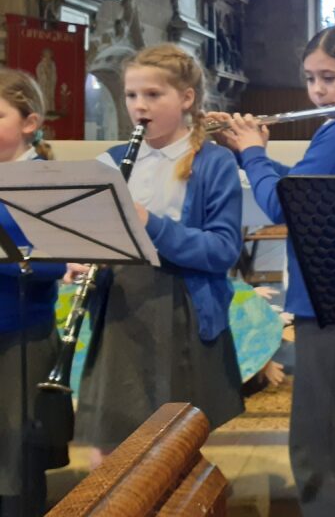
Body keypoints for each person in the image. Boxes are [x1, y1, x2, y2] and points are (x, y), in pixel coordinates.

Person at [211, 23, 335, 517]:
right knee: (334, 437)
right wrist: (254, 151)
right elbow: (302, 187)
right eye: (311, 78)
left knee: (316, 446)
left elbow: (282, 207)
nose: (317, 90)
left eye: (329, 78)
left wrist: (253, 151)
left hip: (332, 295)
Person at [74, 44, 244, 467]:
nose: (138, 106)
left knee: (174, 445)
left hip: (181, 308)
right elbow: (94, 238)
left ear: (186, 98)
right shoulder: (110, 163)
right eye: (132, 96)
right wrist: (80, 259)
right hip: (121, 309)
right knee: (110, 443)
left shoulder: (213, 162)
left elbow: (222, 249)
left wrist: (150, 221)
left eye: (153, 95)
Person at [0, 69, 66, 517]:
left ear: (30, 122)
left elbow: (56, 261)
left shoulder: (47, 178)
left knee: (15, 462)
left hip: (19, 335)